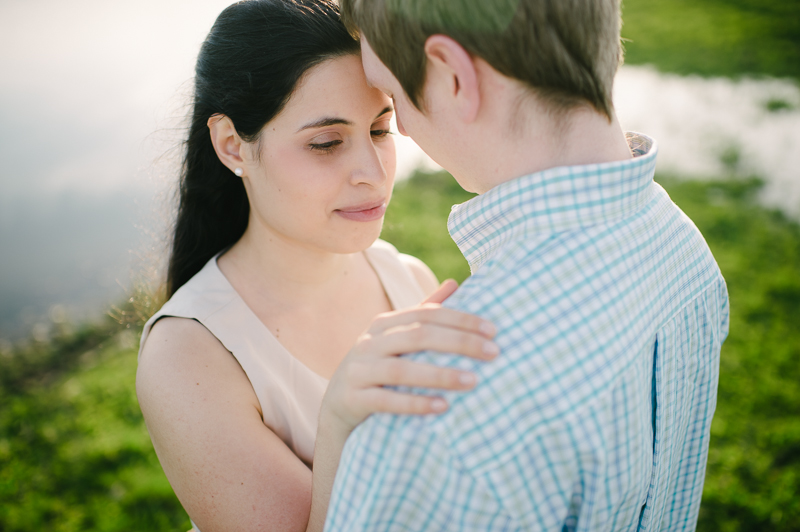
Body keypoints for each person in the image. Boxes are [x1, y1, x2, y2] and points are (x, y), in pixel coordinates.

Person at [325, 0, 730, 530]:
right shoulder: (684, 250)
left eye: (395, 95)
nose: (400, 127)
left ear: (452, 76)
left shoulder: (435, 410)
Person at [134, 1, 500, 531]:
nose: (372, 172)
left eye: (379, 130)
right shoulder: (188, 357)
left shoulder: (409, 280)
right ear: (233, 145)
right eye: (326, 143)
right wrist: (339, 422)